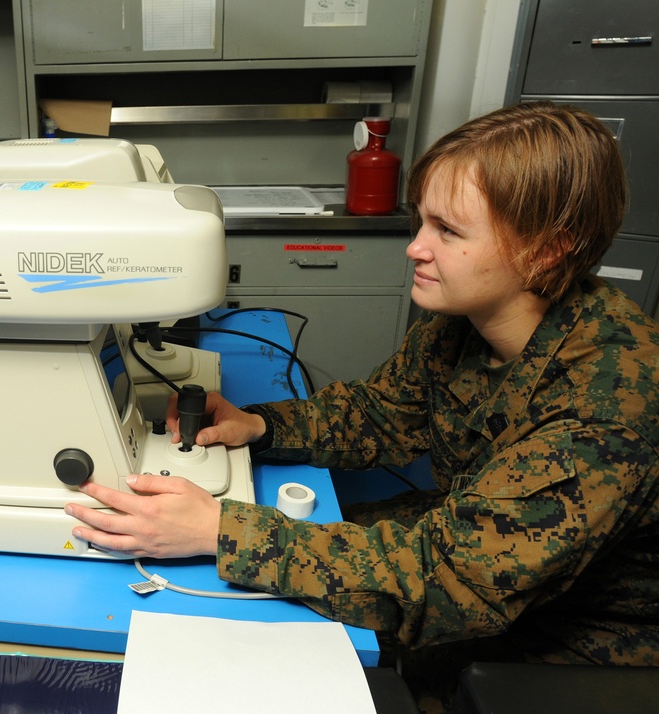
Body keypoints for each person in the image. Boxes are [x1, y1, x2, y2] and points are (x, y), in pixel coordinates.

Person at [65, 102, 659, 709]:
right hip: (473, 553)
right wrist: (262, 425)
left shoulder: (608, 404)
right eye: (420, 221)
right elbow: (383, 413)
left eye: (448, 231)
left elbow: (451, 582)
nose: (416, 249)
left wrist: (221, 531)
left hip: (572, 639)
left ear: (546, 251)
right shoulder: (469, 317)